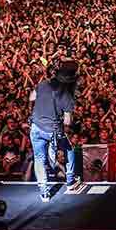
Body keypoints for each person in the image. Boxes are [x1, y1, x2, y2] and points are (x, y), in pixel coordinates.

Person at [29, 61, 80, 201]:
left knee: (39, 158)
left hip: (36, 126)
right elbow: (67, 121)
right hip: (52, 130)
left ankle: (44, 193)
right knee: (69, 148)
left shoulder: (43, 84)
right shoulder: (66, 94)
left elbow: (31, 97)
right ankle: (70, 181)